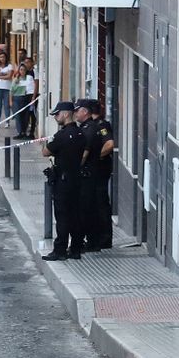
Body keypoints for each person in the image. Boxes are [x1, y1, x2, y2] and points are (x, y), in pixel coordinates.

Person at [41, 101, 87, 261]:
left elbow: (45, 152)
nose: (55, 117)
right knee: (75, 215)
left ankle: (60, 250)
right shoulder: (80, 133)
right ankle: (75, 249)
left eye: (57, 114)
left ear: (66, 114)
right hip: (77, 180)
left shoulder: (61, 136)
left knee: (62, 216)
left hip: (63, 181)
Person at [78, 99, 115, 250]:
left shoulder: (101, 125)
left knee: (100, 205)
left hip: (100, 171)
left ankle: (104, 239)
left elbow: (110, 144)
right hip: (93, 172)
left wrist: (95, 157)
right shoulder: (89, 126)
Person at [10, 65, 33, 140]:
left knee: (26, 117)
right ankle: (20, 132)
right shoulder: (16, 79)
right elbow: (11, 91)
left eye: (24, 70)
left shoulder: (28, 79)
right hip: (17, 99)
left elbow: (31, 88)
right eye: (21, 69)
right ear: (19, 71)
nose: (22, 71)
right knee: (18, 117)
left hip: (26, 98)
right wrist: (10, 101)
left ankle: (24, 132)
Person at [0, 52, 14, 128]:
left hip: (7, 87)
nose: (2, 58)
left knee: (6, 105)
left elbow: (9, 76)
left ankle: (7, 122)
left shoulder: (10, 66)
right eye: (0, 57)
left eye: (3, 57)